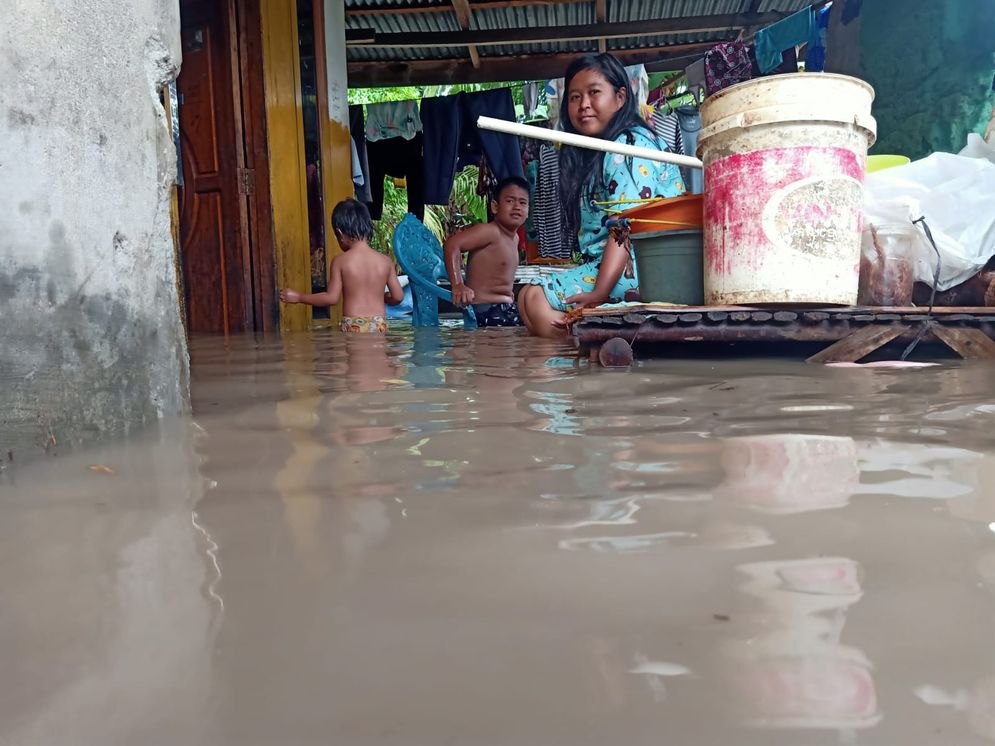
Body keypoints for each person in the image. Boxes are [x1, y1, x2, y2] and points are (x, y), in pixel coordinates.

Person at [517, 53, 686, 337]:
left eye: (594, 92)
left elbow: (622, 230)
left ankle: (591, 351)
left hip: (646, 269)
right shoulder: (600, 150)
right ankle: (578, 359)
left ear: (620, 98)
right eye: (574, 97)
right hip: (619, 265)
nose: (583, 105)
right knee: (526, 299)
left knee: (535, 300)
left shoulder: (628, 145)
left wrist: (599, 293)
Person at [280, 199, 404, 333]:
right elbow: (398, 297)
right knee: (378, 353)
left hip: (353, 324)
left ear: (339, 233)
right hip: (380, 324)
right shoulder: (385, 261)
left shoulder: (340, 261)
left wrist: (299, 297)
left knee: (354, 354)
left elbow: (331, 298)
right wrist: (385, 298)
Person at [444, 175, 530, 328]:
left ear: (528, 210)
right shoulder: (490, 231)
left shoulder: (514, 238)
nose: (517, 207)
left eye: (522, 202)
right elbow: (452, 245)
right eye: (510, 201)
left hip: (505, 308)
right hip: (485, 310)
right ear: (495, 207)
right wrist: (457, 284)